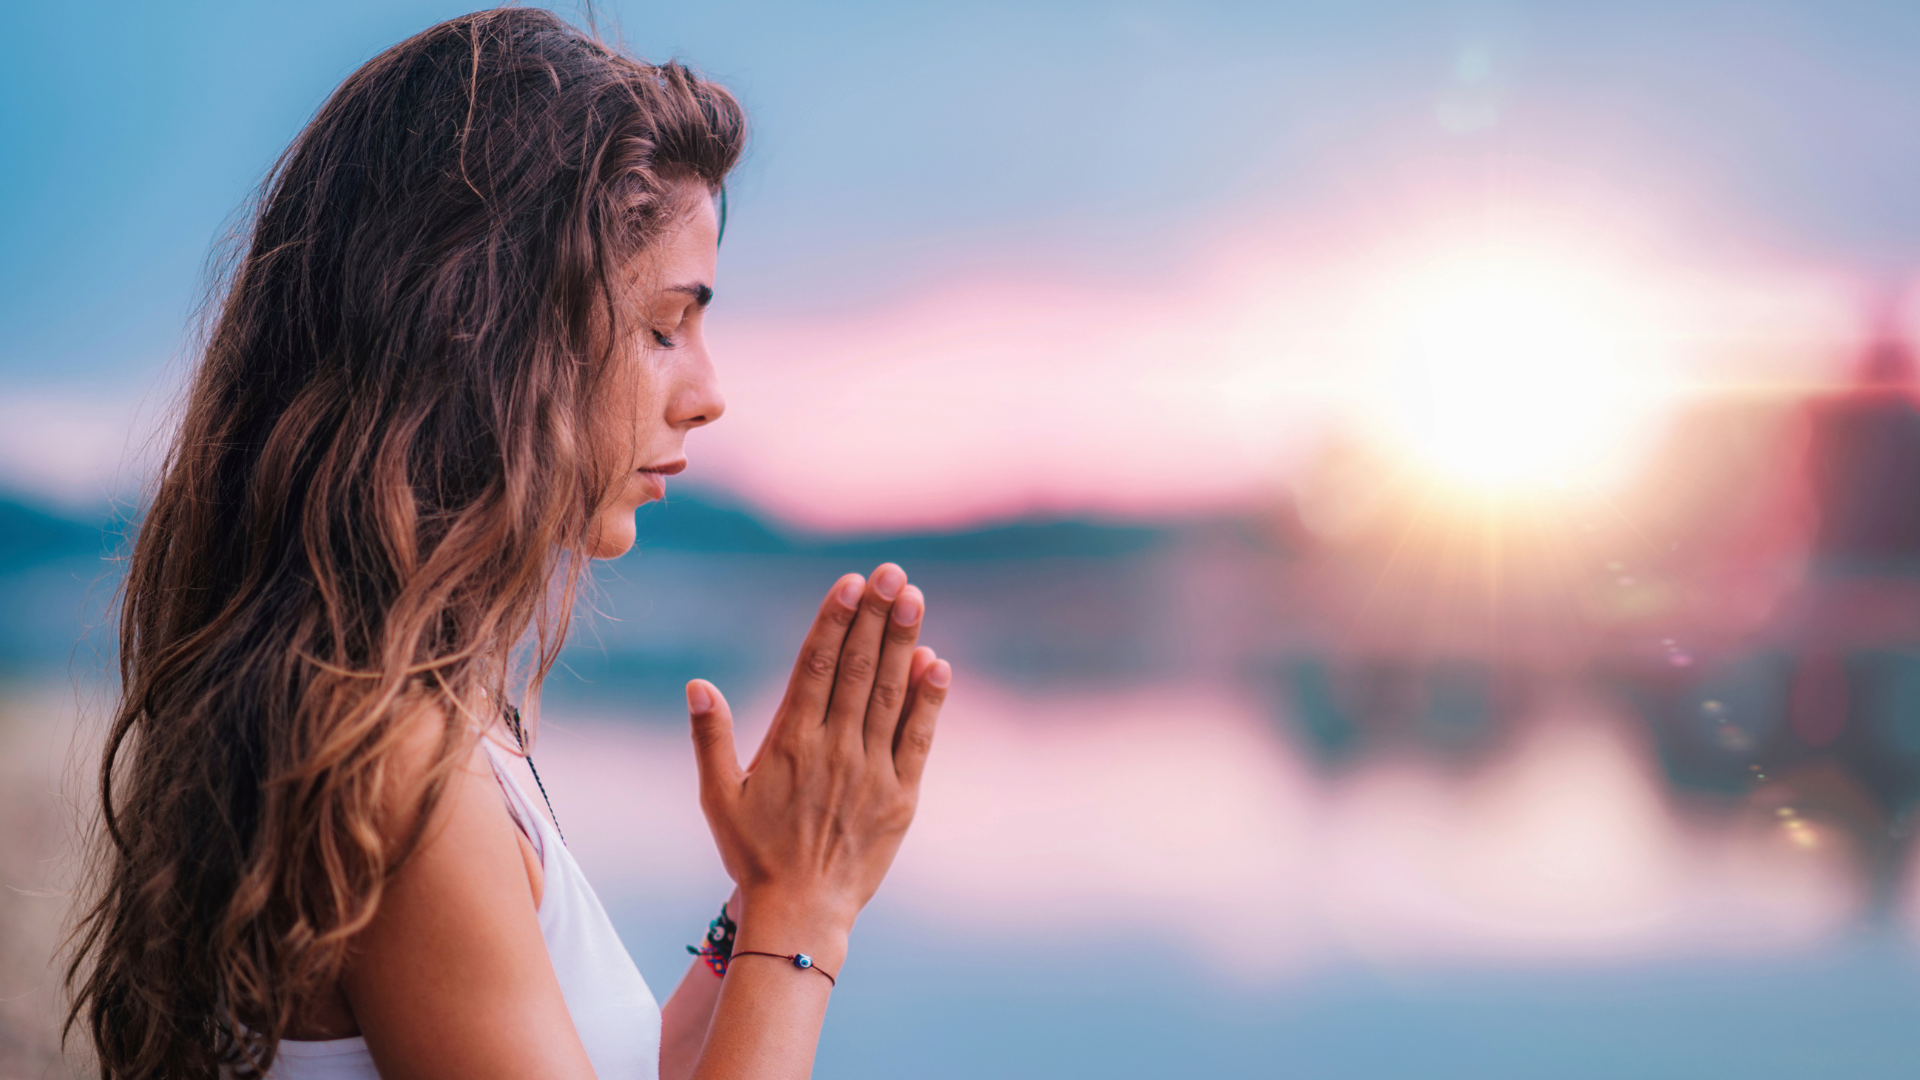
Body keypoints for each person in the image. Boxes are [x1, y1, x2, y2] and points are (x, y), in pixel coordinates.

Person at [64, 9, 951, 1079]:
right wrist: (803, 918)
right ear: (489, 330)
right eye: (664, 327)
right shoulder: (398, 771)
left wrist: (763, 900)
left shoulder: (413, 716)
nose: (708, 394)